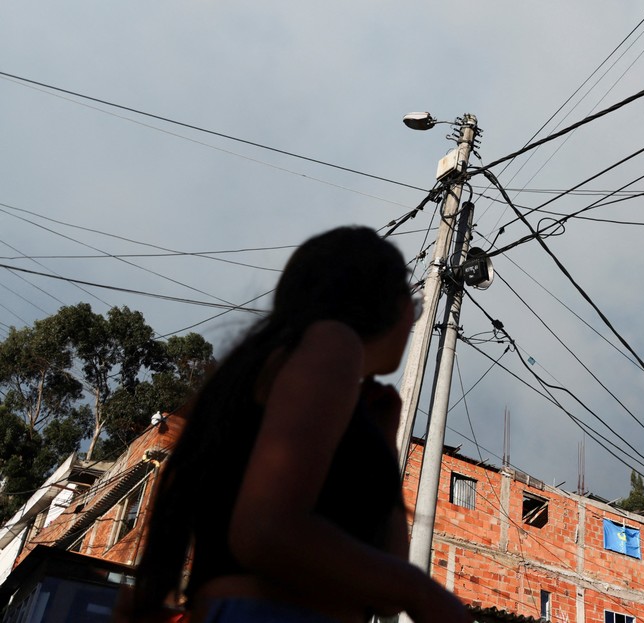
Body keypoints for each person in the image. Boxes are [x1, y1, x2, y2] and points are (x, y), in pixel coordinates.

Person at [123, 226, 468, 623]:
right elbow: (264, 531)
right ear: (387, 303)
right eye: (415, 304)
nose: (413, 319)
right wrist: (419, 589)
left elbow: (385, 601)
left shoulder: (284, 378)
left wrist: (385, 444)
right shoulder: (332, 345)